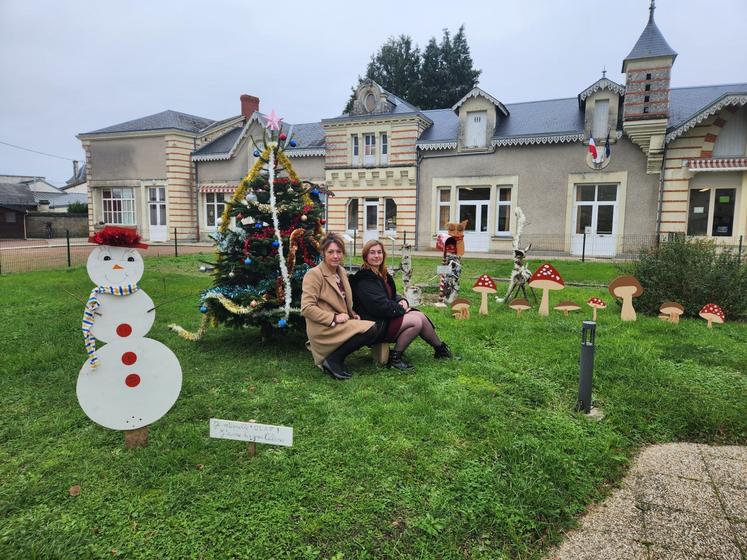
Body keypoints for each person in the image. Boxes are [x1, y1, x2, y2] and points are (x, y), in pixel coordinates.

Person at [351, 240, 451, 370]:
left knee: (419, 315)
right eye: (372, 253)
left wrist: (402, 300)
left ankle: (441, 350)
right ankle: (395, 358)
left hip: (384, 317)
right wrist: (401, 308)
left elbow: (391, 295)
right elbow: (380, 306)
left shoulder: (381, 273)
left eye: (379, 252)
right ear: (365, 256)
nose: (376, 256)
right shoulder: (364, 278)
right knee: (415, 322)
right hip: (374, 324)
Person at [301, 233, 380, 380]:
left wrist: (352, 313)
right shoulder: (314, 275)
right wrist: (334, 318)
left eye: (339, 252)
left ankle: (335, 358)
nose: (335, 256)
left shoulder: (341, 271)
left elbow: (342, 299)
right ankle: (332, 360)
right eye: (331, 252)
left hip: (340, 322)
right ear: (323, 253)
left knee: (373, 328)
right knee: (371, 329)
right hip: (323, 327)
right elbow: (306, 308)